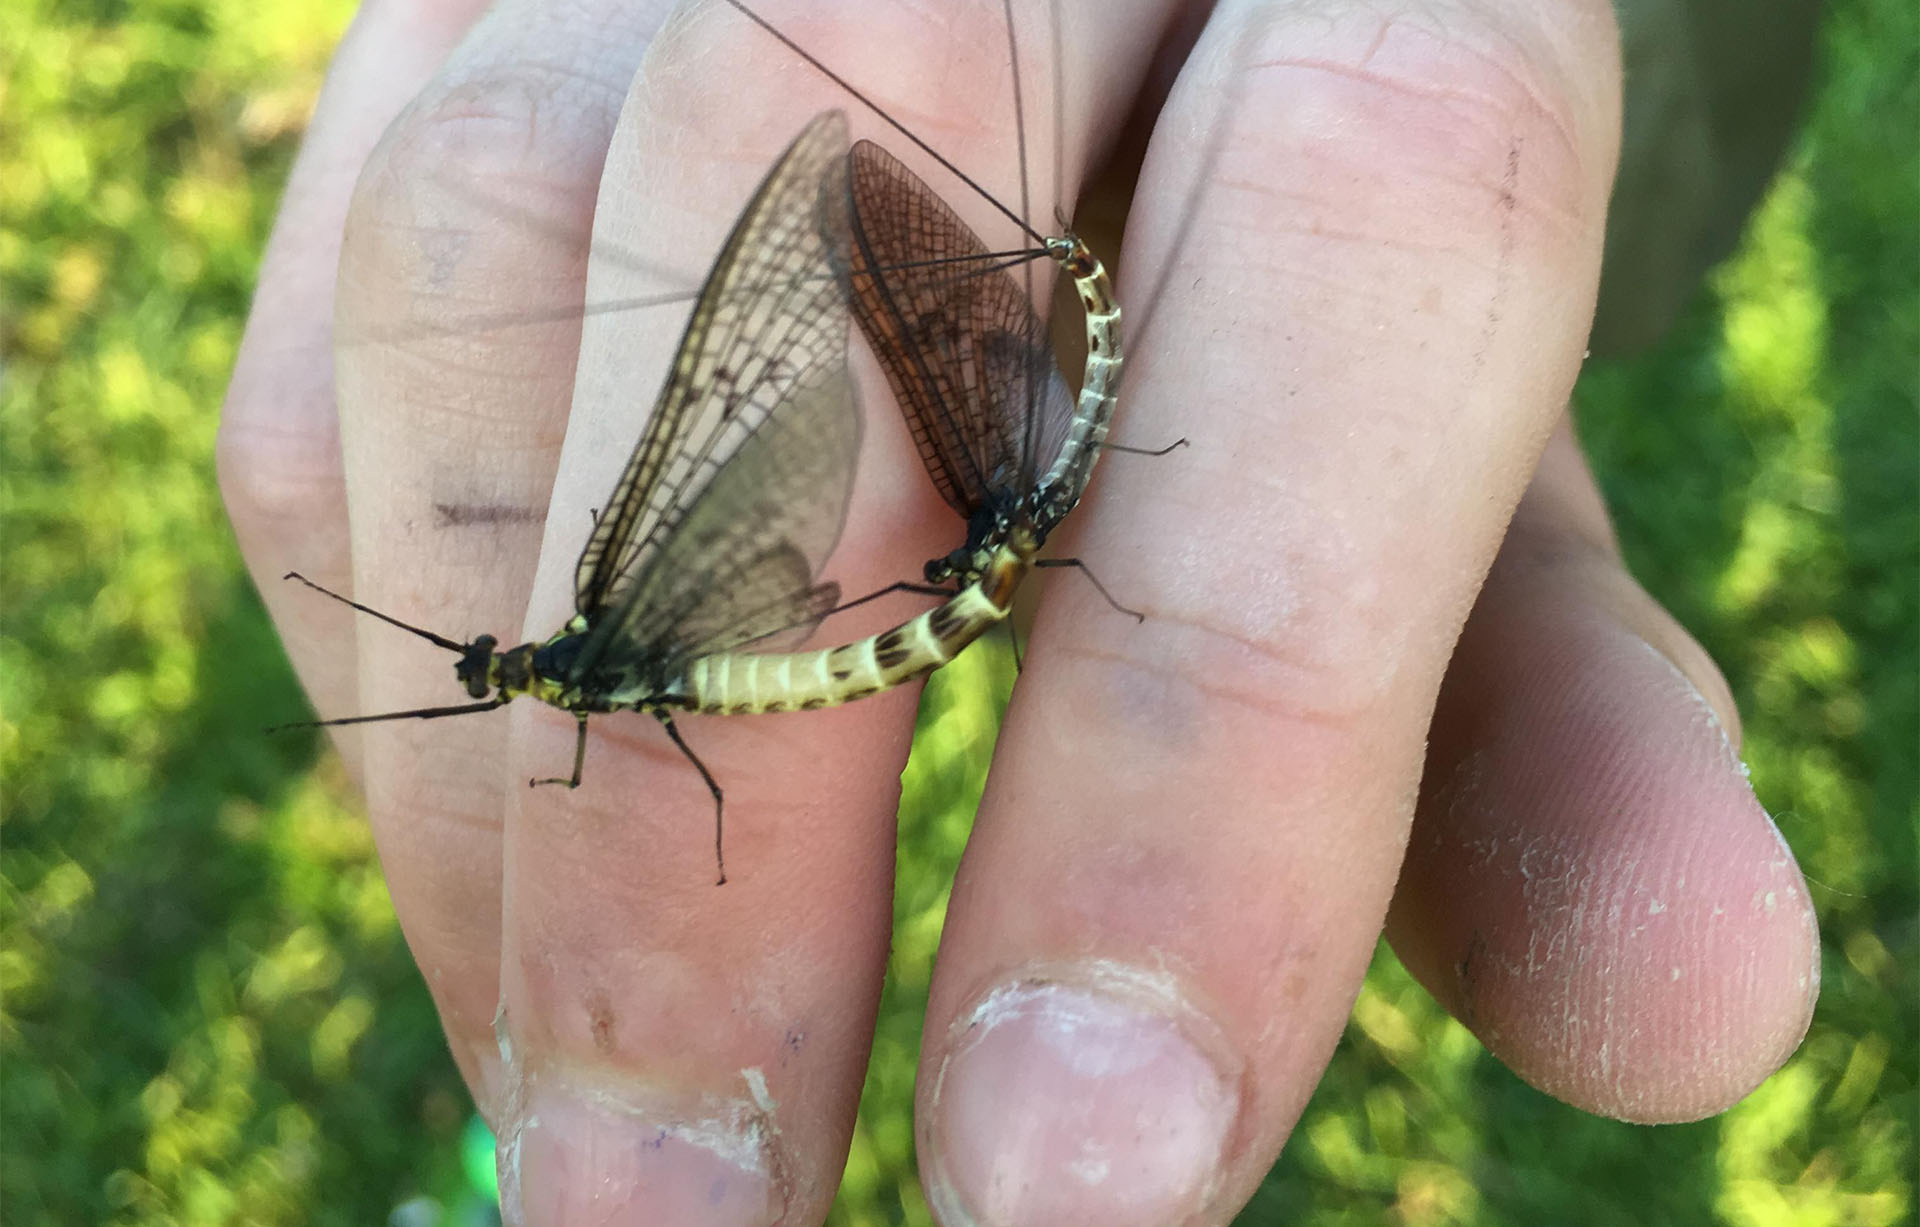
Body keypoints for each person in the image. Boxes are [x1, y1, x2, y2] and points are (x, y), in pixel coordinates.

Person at [218, 1, 1823, 1223]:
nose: (510, 683)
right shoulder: (610, 654)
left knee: (1020, 535)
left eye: (507, 677)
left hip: (930, 547)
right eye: (505, 679)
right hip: (876, 589)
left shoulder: (614, 644)